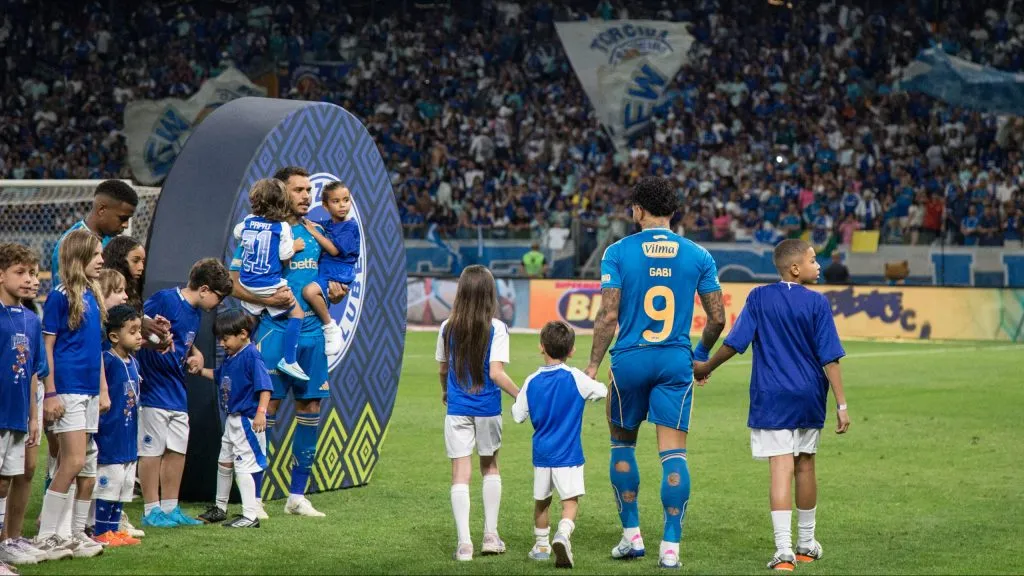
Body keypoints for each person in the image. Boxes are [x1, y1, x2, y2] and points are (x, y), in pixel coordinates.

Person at [585, 177, 726, 569]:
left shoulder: (616, 252)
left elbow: (608, 315)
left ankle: (632, 537)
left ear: (638, 211)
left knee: (623, 446)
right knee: (674, 453)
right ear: (673, 211)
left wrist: (593, 365)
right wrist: (699, 355)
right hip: (674, 362)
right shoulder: (698, 254)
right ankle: (671, 547)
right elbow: (718, 318)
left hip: (629, 360)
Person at [693, 239, 851, 571]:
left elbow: (735, 343)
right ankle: (807, 544)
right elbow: (830, 358)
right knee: (806, 464)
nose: (818, 265)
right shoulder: (817, 304)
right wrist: (841, 404)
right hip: (809, 395)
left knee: (781, 467)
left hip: (771, 395)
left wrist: (707, 366)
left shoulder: (759, 297)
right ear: (795, 268)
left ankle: (784, 552)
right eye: (812, 259)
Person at [228, 166, 348, 518]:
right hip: (275, 331)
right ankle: (257, 498)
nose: (306, 196)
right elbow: (233, 284)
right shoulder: (262, 231)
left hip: (312, 334)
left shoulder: (317, 232)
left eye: (309, 190)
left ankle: (298, 495)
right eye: (298, 190)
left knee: (311, 408)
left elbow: (325, 281)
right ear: (281, 191)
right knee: (267, 410)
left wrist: (336, 294)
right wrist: (268, 301)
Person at [135, 258, 233, 528]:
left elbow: (184, 341)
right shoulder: (164, 300)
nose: (220, 303)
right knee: (152, 450)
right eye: (219, 296)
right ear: (204, 289)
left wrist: (196, 354)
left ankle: (170, 507)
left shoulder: (196, 312)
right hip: (153, 386)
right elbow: (135, 323)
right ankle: (151, 509)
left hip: (177, 388)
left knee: (177, 449)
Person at [434, 265, 520, 562]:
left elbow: (443, 368)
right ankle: (491, 536)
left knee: (460, 473)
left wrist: (446, 391)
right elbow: (496, 373)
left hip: (457, 409)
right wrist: (521, 395)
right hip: (487, 408)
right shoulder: (496, 328)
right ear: (488, 293)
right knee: (490, 467)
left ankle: (464, 544)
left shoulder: (447, 327)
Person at [37, 230, 110, 560]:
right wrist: (50, 392)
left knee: (81, 463)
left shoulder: (92, 295)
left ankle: (72, 533)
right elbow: (47, 347)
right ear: (79, 259)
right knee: (72, 461)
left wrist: (102, 390)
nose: (102, 260)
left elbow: (94, 350)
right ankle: (46, 535)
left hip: (88, 391)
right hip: (67, 390)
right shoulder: (59, 296)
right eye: (96, 255)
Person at [511, 321, 607, 568]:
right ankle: (563, 534)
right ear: (572, 350)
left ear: (541, 347)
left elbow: (517, 415)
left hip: (542, 454)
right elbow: (602, 392)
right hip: (569, 455)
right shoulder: (576, 377)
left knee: (542, 502)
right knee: (570, 502)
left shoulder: (531, 381)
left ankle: (541, 545)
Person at [194, 310, 272, 528]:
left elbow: (265, 387)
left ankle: (250, 515)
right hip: (232, 419)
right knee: (224, 463)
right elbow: (219, 376)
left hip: (247, 420)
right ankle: (220, 508)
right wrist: (200, 371)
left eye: (225, 338)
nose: (221, 343)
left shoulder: (252, 355)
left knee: (243, 467)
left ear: (243, 334)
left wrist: (260, 413)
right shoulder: (231, 357)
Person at [233, 178, 310, 382]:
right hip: (269, 284)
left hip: (248, 282)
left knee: (249, 325)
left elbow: (237, 233)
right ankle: (289, 359)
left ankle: (238, 362)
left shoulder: (248, 221)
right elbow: (284, 255)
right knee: (297, 314)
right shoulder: (282, 227)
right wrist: (295, 246)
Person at [0, 245, 45, 571]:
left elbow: (31, 372)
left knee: (4, 480)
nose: (28, 278)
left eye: (31, 272)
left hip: (17, 415)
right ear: (1, 275)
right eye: (20, 272)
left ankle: (6, 544)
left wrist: (32, 416)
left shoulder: (30, 320)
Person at [92, 305, 144, 547]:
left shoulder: (133, 361)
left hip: (129, 436)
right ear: (114, 336)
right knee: (109, 484)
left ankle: (115, 530)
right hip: (110, 436)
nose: (139, 335)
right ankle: (101, 531)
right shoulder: (108, 361)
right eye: (132, 331)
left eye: (139, 330)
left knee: (124, 486)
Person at [299, 181, 358, 356]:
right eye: (336, 201)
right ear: (325, 205)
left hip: (338, 273)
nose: (342, 205)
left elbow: (333, 249)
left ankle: (330, 326)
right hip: (327, 270)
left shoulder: (351, 227)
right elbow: (310, 224)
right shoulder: (330, 224)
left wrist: (313, 231)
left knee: (309, 292)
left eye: (346, 200)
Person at [50, 180, 138, 288]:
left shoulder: (111, 240)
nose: (126, 225)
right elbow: (68, 297)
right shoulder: (70, 246)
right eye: (123, 218)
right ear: (102, 210)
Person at [102, 236, 146, 313]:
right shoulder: (103, 286)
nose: (141, 267)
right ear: (120, 260)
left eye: (142, 261)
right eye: (135, 261)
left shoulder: (134, 287)